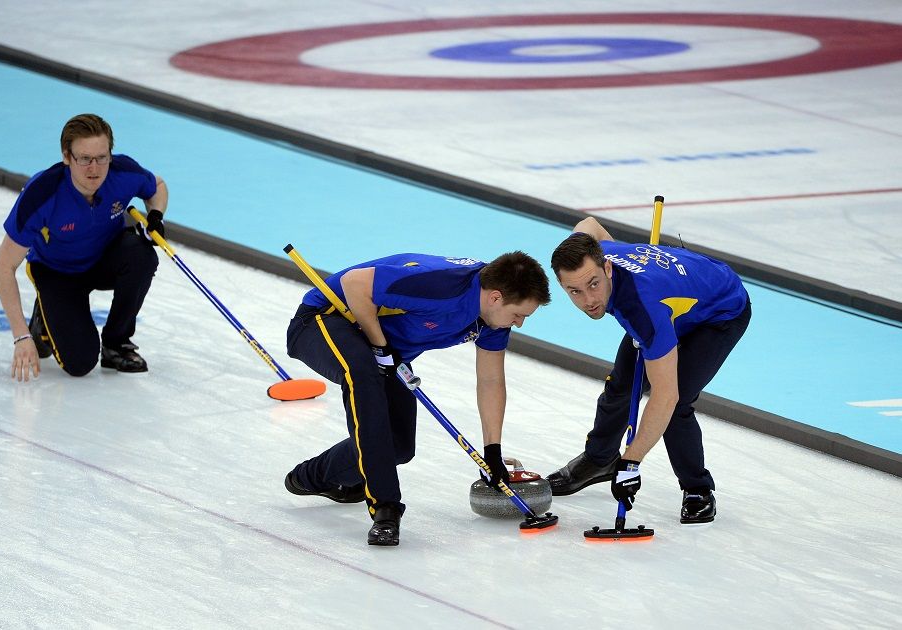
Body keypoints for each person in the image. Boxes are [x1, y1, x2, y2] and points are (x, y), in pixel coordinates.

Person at [284, 251, 551, 546]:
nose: (520, 324)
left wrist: (492, 451)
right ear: (496, 298)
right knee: (363, 376)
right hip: (325, 320)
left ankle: (311, 477)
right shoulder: (442, 286)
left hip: (382, 348)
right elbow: (355, 282)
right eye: (519, 315)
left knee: (398, 446)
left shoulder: (491, 321)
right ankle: (385, 508)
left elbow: (490, 381)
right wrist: (379, 345)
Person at [546, 217, 750, 524]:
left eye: (593, 284)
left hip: (719, 312)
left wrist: (631, 463)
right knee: (621, 386)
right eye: (574, 291)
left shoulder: (642, 310)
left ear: (608, 268)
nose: (589, 300)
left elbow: (666, 396)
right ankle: (600, 460)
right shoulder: (594, 252)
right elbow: (589, 223)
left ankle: (697, 488)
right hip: (669, 301)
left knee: (677, 402)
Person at [0, 113, 168, 380]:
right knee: (80, 363)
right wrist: (21, 337)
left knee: (141, 254)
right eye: (84, 159)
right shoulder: (42, 193)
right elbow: (4, 267)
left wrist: (156, 216)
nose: (94, 169)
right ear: (67, 157)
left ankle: (116, 343)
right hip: (57, 271)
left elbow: (156, 185)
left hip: (102, 258)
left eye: (101, 157)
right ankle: (42, 322)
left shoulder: (122, 172)